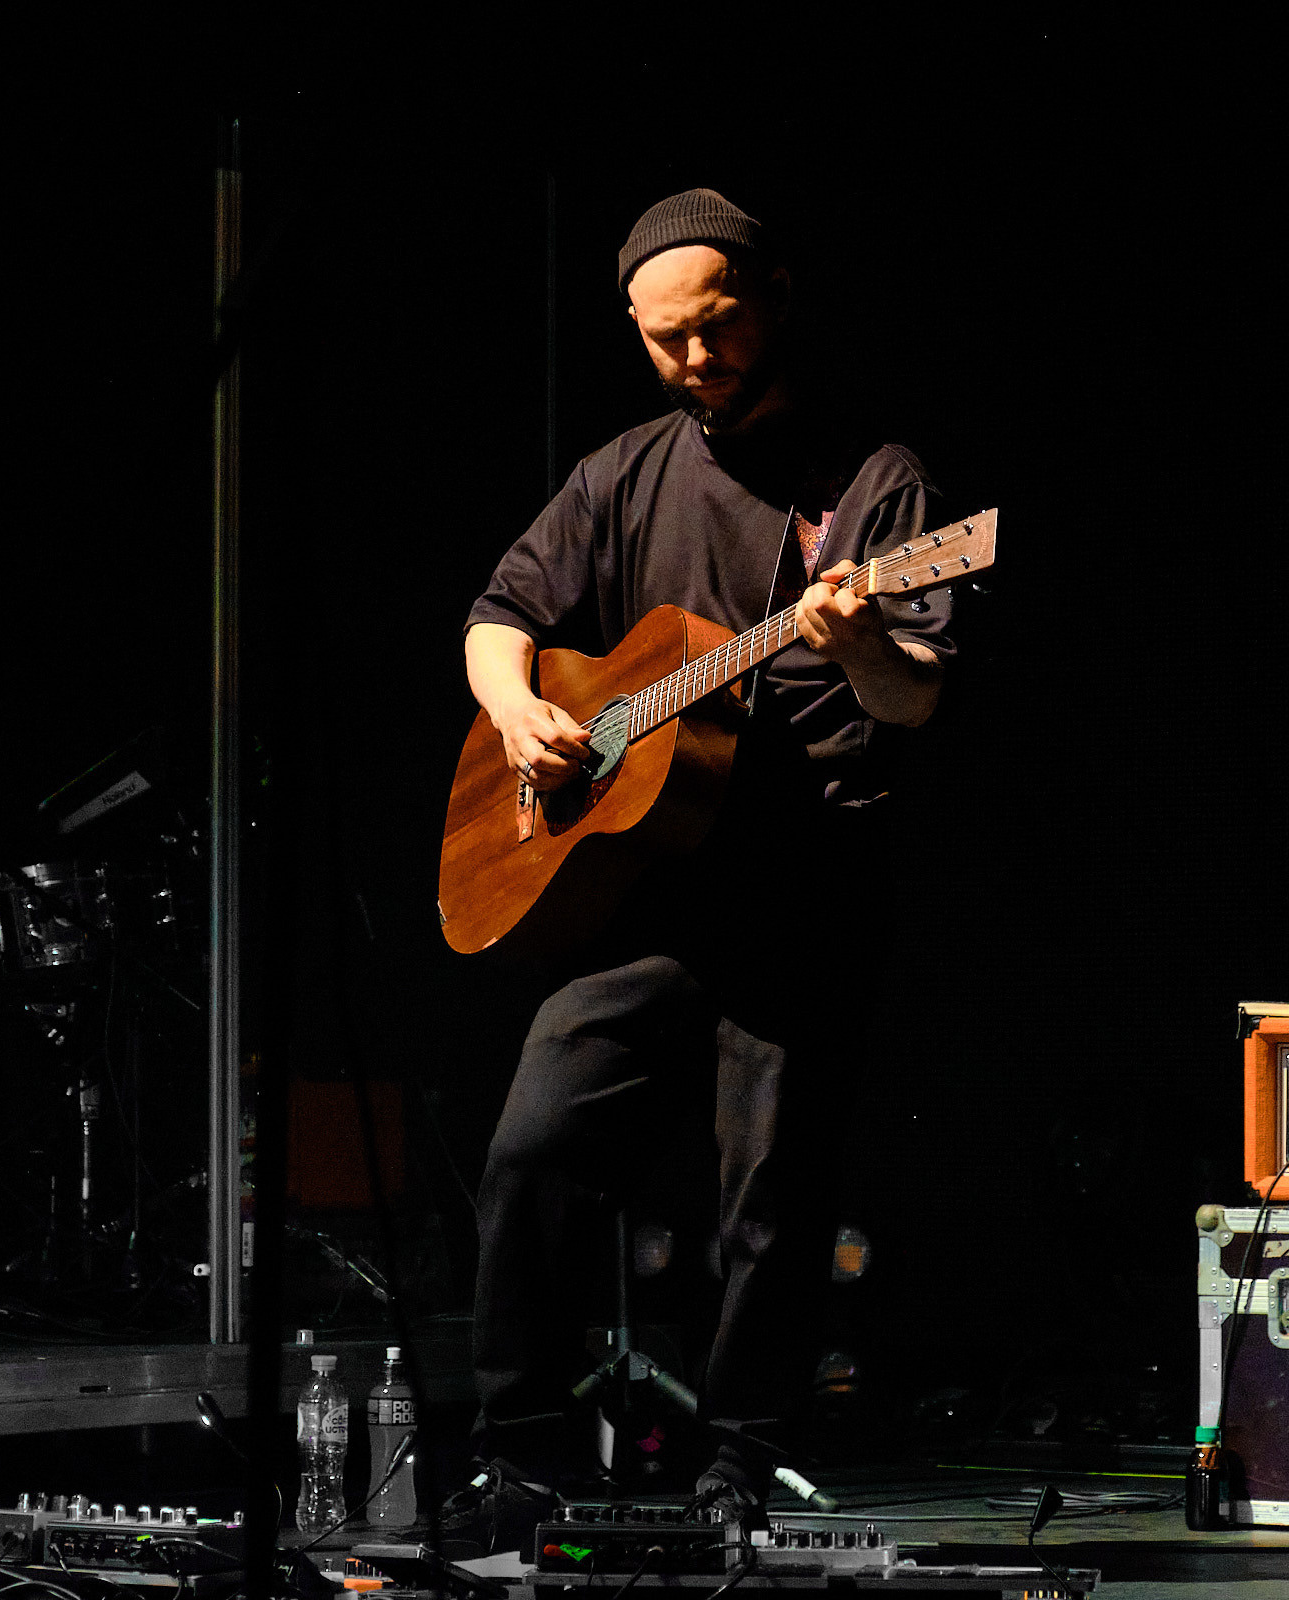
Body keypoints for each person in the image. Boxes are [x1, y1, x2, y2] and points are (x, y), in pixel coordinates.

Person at [454, 188, 958, 1544]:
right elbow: (499, 618)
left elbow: (913, 698)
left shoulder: (875, 480)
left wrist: (858, 639)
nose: (694, 359)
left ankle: (740, 1464)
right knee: (532, 1151)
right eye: (664, 337)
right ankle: (522, 1453)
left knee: (768, 1201)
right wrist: (522, 712)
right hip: (645, 891)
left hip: (804, 887)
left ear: (775, 299)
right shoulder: (622, 472)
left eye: (717, 327)